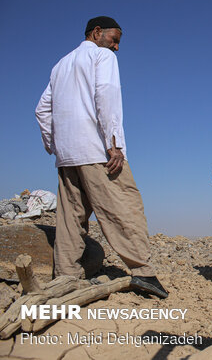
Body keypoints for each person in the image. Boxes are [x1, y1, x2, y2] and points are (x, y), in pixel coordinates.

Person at [35, 16, 168, 299]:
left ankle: (66, 276)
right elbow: (106, 95)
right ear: (97, 33)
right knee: (123, 207)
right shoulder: (101, 56)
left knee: (71, 216)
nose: (117, 47)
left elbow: (42, 109)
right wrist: (115, 143)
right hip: (98, 151)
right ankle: (143, 271)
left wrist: (54, 145)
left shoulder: (61, 65)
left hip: (68, 154)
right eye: (115, 39)